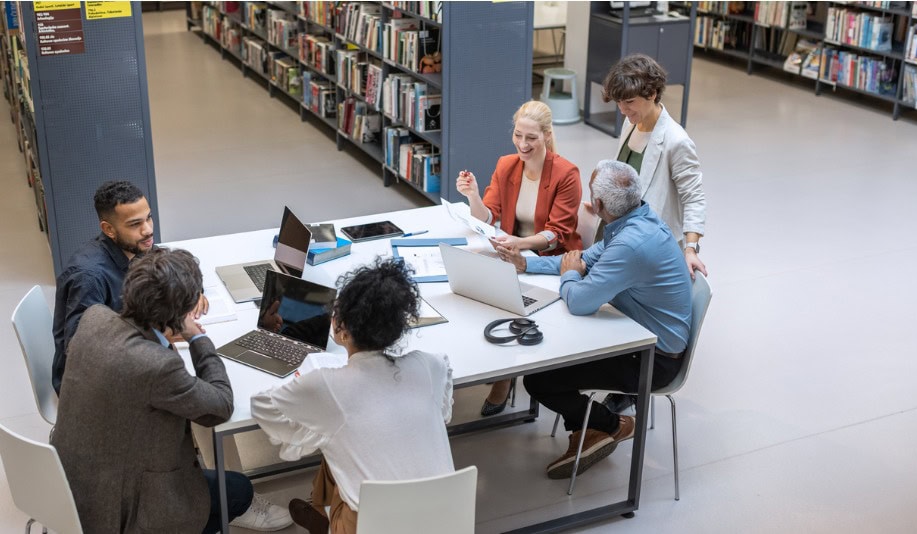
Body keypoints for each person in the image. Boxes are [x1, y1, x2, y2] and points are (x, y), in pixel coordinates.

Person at [496, 160, 692, 479]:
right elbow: (582, 259)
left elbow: (579, 301)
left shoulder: (630, 244)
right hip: (638, 334)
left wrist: (569, 277)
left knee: (539, 379)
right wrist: (526, 265)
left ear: (598, 205)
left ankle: (612, 425)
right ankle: (588, 433)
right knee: (550, 359)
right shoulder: (637, 219)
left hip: (653, 359)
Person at [48, 249, 265, 532]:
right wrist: (198, 338)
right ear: (182, 312)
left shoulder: (94, 318)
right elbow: (221, 406)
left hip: (70, 488)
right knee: (239, 490)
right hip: (120, 514)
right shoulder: (158, 365)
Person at [251, 258, 455, 534]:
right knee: (346, 434)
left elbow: (262, 405)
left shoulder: (326, 384)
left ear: (340, 327)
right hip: (446, 519)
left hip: (371, 527)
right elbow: (444, 407)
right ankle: (318, 513)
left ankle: (321, 521)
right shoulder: (428, 365)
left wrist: (312, 428)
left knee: (331, 435)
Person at [455, 99, 583, 416]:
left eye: (531, 138)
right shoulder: (506, 165)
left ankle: (505, 377)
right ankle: (498, 364)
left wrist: (520, 243)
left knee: (505, 298)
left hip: (551, 260)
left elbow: (558, 233)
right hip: (513, 253)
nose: (523, 145)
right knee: (477, 290)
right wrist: (472, 196)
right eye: (518, 136)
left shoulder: (567, 174)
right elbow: (488, 216)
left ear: (547, 136)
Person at [599, 53, 708, 413]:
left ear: (653, 93)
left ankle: (631, 387)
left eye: (629, 103)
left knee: (639, 313)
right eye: (619, 104)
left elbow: (694, 195)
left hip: (649, 241)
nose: (623, 110)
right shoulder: (632, 125)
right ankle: (617, 369)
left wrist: (691, 247)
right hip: (624, 231)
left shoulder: (676, 140)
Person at [51, 180, 209, 395]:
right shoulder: (89, 277)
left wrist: (194, 291)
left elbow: (173, 266)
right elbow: (80, 349)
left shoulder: (136, 248)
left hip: (127, 360)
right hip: (91, 387)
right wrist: (156, 336)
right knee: (191, 393)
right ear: (109, 229)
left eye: (149, 218)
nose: (148, 230)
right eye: (135, 224)